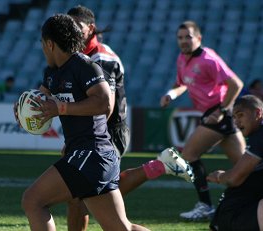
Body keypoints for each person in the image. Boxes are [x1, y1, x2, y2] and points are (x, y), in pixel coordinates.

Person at [64, 6, 194, 231]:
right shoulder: (82, 57)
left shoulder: (102, 59)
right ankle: (159, 165)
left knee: (87, 196)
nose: (71, 31)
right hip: (95, 133)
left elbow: (105, 106)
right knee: (81, 197)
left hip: (107, 132)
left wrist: (80, 139)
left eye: (76, 26)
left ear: (91, 29)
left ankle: (158, 166)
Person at [19, 13, 150, 230]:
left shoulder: (85, 66)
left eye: (42, 44)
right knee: (122, 228)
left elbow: (104, 103)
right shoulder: (52, 73)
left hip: (92, 154)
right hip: (93, 157)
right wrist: (23, 109)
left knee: (33, 200)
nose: (42, 49)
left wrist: (61, 108)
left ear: (50, 44)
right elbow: (40, 101)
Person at [160, 20, 246, 220]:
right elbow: (182, 83)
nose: (183, 41)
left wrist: (223, 110)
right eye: (180, 38)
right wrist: (171, 94)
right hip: (216, 115)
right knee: (245, 167)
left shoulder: (209, 58)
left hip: (217, 113)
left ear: (199, 38)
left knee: (189, 154)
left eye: (188, 37)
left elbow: (236, 84)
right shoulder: (182, 58)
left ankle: (205, 206)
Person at [207, 95, 263, 231]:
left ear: (258, 113)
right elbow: (234, 179)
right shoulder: (259, 137)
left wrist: (220, 176)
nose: (237, 122)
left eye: (240, 115)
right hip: (235, 215)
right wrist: (221, 176)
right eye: (234, 117)